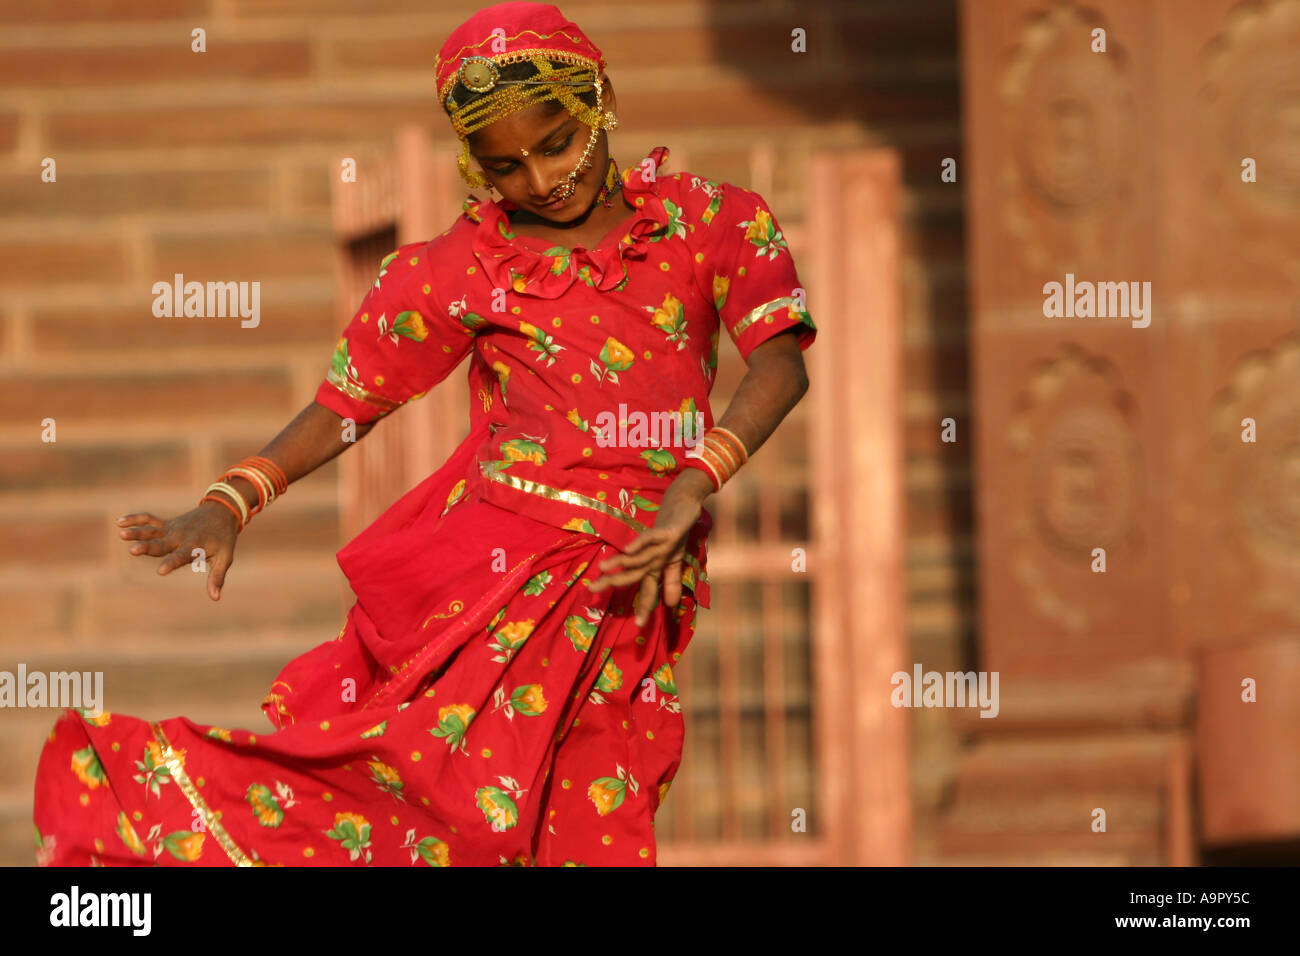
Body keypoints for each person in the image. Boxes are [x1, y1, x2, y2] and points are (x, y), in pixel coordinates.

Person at [31, 0, 816, 867]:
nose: (540, 180)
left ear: (602, 98)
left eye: (557, 144)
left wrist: (693, 484)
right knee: (446, 811)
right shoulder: (462, 267)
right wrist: (233, 498)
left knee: (595, 828)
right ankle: (127, 812)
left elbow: (780, 364)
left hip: (636, 584)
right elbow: (350, 401)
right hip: (503, 583)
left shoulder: (711, 223)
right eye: (503, 166)